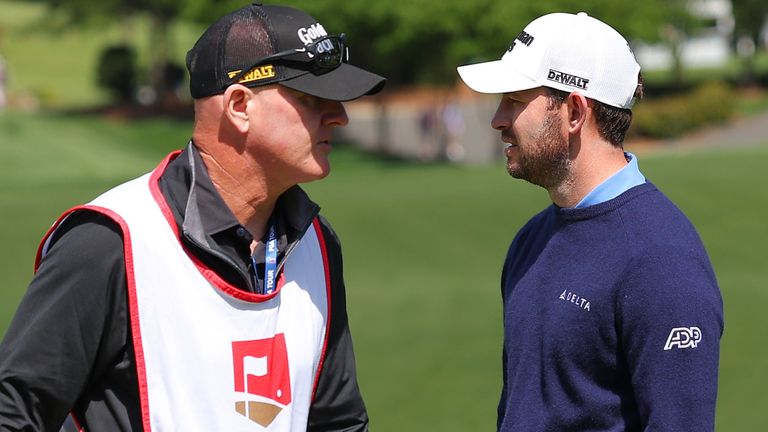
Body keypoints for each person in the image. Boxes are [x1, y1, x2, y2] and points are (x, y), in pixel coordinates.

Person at [0, 2, 385, 431]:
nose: (340, 116)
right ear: (240, 105)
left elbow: (338, 421)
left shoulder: (316, 241)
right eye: (310, 99)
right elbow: (13, 412)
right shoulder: (112, 240)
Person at [457, 12, 723, 431]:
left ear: (575, 112)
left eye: (514, 100)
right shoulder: (531, 239)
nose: (498, 119)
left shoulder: (662, 260)